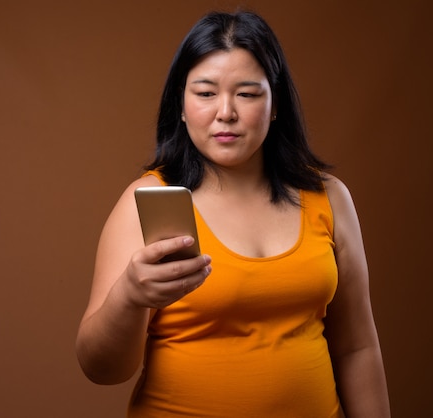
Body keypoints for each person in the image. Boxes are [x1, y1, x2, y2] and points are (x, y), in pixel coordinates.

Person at [76, 10, 390, 418]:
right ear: (182, 106)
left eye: (247, 93)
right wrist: (130, 298)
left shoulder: (328, 197)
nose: (226, 112)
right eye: (205, 93)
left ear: (275, 104)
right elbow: (100, 369)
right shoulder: (148, 198)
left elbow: (356, 348)